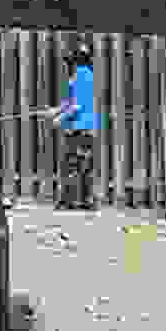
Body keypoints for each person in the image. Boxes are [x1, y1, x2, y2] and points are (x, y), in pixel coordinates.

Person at [55, 41, 96, 210]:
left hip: (81, 127)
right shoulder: (83, 75)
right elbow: (72, 101)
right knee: (81, 165)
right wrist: (56, 110)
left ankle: (70, 201)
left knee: (74, 165)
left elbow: (77, 106)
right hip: (81, 127)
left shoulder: (81, 75)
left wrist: (61, 117)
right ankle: (84, 201)